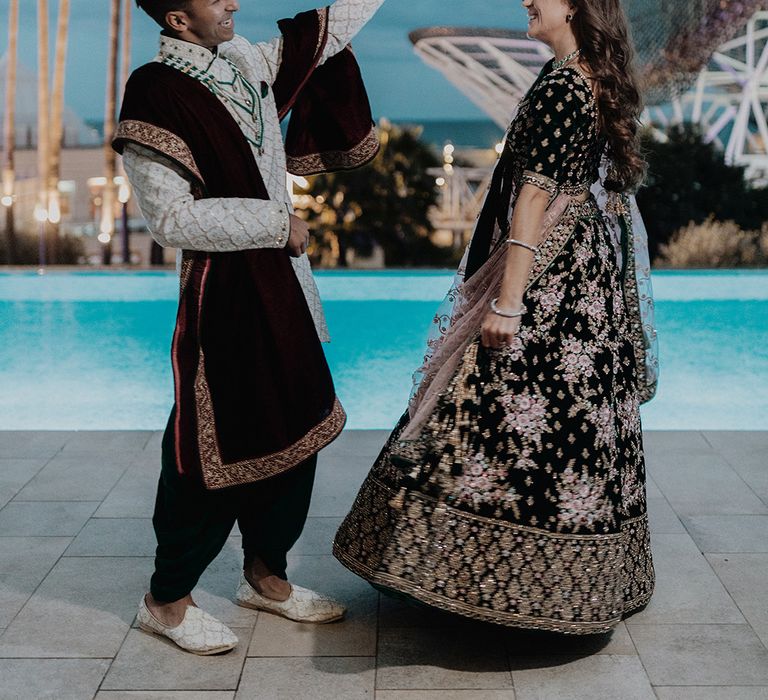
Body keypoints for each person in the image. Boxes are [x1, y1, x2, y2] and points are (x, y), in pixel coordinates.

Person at [334, 0, 660, 635]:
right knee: (574, 419)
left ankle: (472, 575)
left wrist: (509, 300)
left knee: (494, 402)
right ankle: (572, 580)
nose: (526, 2)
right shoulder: (593, 72)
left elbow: (533, 194)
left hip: (549, 268)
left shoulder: (564, 83)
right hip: (585, 268)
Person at [114, 0, 385, 655]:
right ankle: (166, 601)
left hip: (285, 287)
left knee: (297, 426)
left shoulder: (243, 63)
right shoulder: (154, 93)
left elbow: (327, 33)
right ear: (178, 20)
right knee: (212, 451)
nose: (232, 1)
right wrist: (274, 223)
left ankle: (267, 577)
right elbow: (170, 222)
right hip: (225, 300)